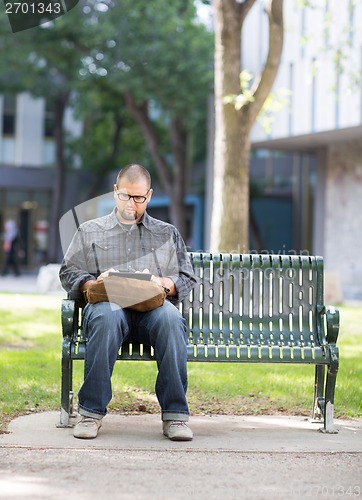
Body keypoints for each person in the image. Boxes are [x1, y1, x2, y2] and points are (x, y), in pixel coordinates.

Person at [59, 164, 197, 441]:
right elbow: (68, 271)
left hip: (152, 310)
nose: (131, 203)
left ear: (149, 195)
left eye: (139, 197)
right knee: (105, 318)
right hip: (108, 307)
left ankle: (175, 417)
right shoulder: (90, 230)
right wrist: (94, 283)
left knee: (171, 320)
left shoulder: (166, 233)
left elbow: (185, 276)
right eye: (125, 196)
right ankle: (90, 414)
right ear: (114, 192)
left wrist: (160, 282)